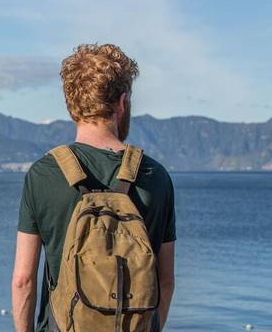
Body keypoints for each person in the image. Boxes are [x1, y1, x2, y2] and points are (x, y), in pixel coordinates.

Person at [11, 44, 176, 332]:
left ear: (71, 104)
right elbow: (165, 281)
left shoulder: (43, 175)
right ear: (122, 102)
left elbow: (23, 280)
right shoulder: (155, 176)